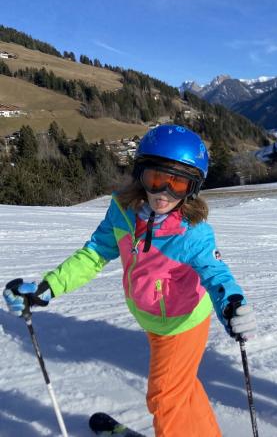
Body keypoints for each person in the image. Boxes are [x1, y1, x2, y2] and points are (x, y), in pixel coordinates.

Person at [3, 124, 257, 437]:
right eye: (155, 178)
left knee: (165, 397)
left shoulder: (193, 232)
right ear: (140, 174)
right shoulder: (122, 212)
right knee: (181, 388)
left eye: (177, 184)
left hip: (181, 323)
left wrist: (232, 304)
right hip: (152, 319)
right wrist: (49, 286)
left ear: (192, 188)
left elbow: (217, 275)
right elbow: (94, 253)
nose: (163, 193)